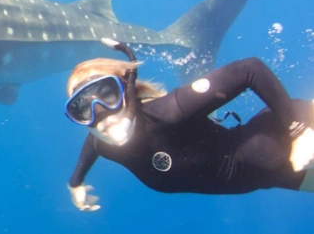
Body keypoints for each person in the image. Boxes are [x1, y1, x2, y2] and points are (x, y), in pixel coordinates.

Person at [65, 38, 314, 211]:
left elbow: (250, 69)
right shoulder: (106, 143)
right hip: (277, 177)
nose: (102, 116)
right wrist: (76, 181)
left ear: (127, 90)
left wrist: (299, 132)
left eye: (107, 94)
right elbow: (94, 143)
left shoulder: (169, 111)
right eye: (83, 109)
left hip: (284, 141)